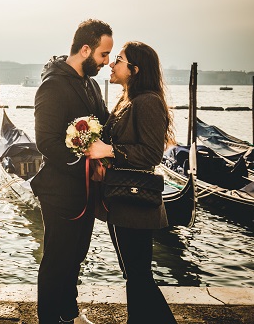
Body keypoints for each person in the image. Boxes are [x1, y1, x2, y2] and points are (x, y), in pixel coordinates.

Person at [85, 41, 177, 324]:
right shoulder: (128, 100)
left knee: (138, 274)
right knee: (134, 274)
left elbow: (151, 153)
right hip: (122, 200)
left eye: (119, 60)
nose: (112, 64)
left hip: (135, 202)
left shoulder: (148, 101)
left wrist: (108, 151)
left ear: (134, 70)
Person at [31, 19, 112, 323]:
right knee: (57, 260)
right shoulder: (52, 85)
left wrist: (104, 158)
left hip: (86, 189)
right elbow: (46, 142)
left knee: (77, 255)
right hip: (60, 189)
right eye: (103, 55)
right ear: (86, 49)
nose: (106, 62)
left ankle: (69, 313)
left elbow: (104, 124)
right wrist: (85, 165)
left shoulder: (89, 83)